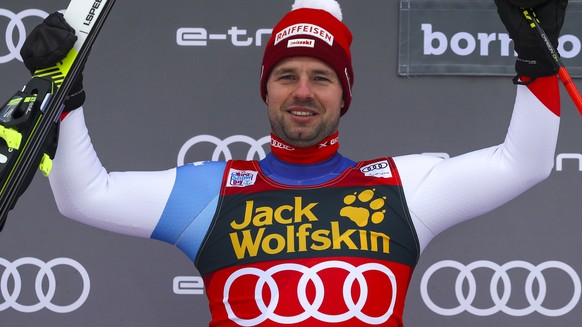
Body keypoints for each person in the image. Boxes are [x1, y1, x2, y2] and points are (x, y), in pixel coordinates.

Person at [19, 0, 567, 326]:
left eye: (321, 77)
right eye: (287, 75)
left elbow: (526, 162)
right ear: (266, 90)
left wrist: (537, 59)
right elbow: (83, 196)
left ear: (344, 93)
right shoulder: (215, 192)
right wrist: (62, 94)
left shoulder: (403, 187)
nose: (302, 91)